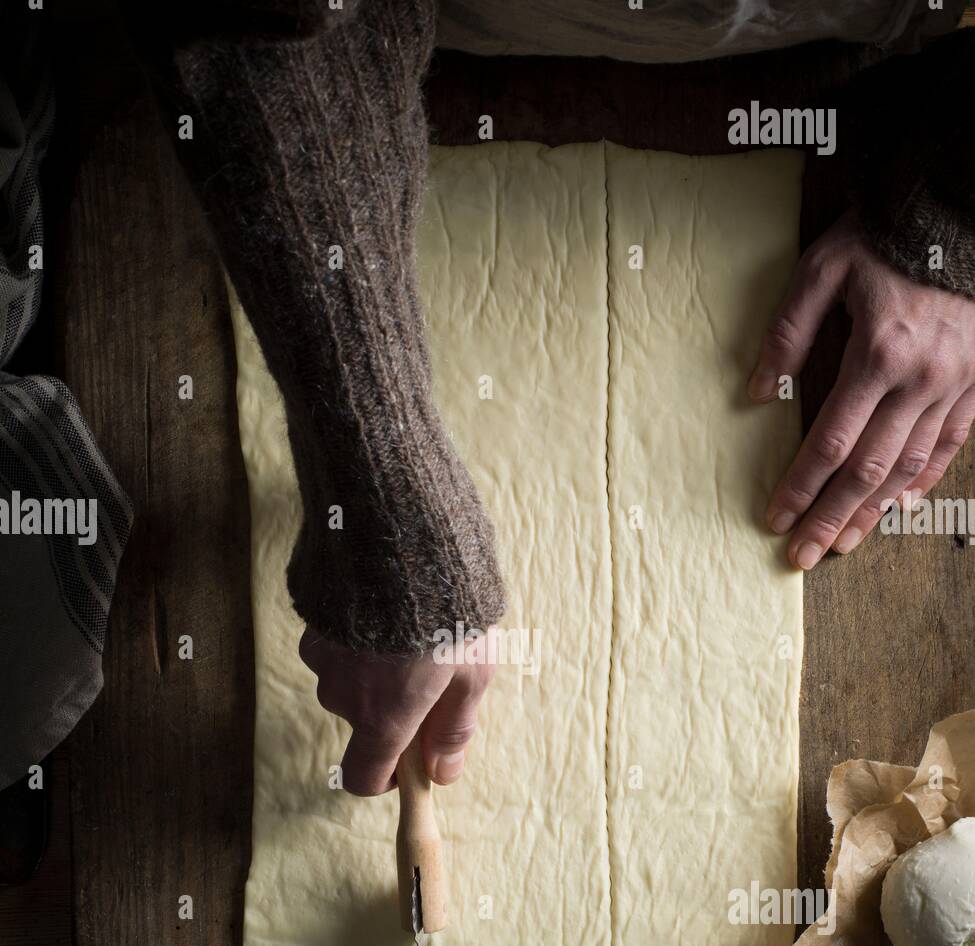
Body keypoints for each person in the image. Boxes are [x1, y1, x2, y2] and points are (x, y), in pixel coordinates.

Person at [136, 1, 975, 794]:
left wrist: (954, 211)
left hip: (876, 88)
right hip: (395, 84)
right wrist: (383, 490)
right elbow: (254, 24)